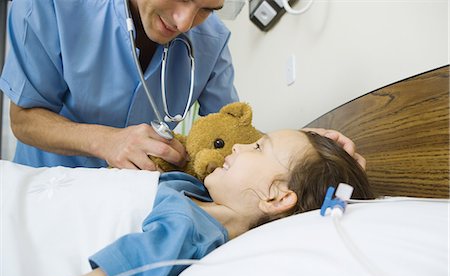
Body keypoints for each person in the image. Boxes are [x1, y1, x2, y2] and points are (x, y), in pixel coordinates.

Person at [0, 0, 364, 171]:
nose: (185, 21)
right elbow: (24, 118)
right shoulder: (50, 6)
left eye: (207, 7)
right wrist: (106, 141)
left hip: (133, 201)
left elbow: (232, 134)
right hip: (47, 183)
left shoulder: (212, 41)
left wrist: (305, 151)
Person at [21, 129, 374, 276]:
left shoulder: (190, 228)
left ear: (277, 196)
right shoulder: (196, 191)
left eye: (258, 146)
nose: (238, 144)